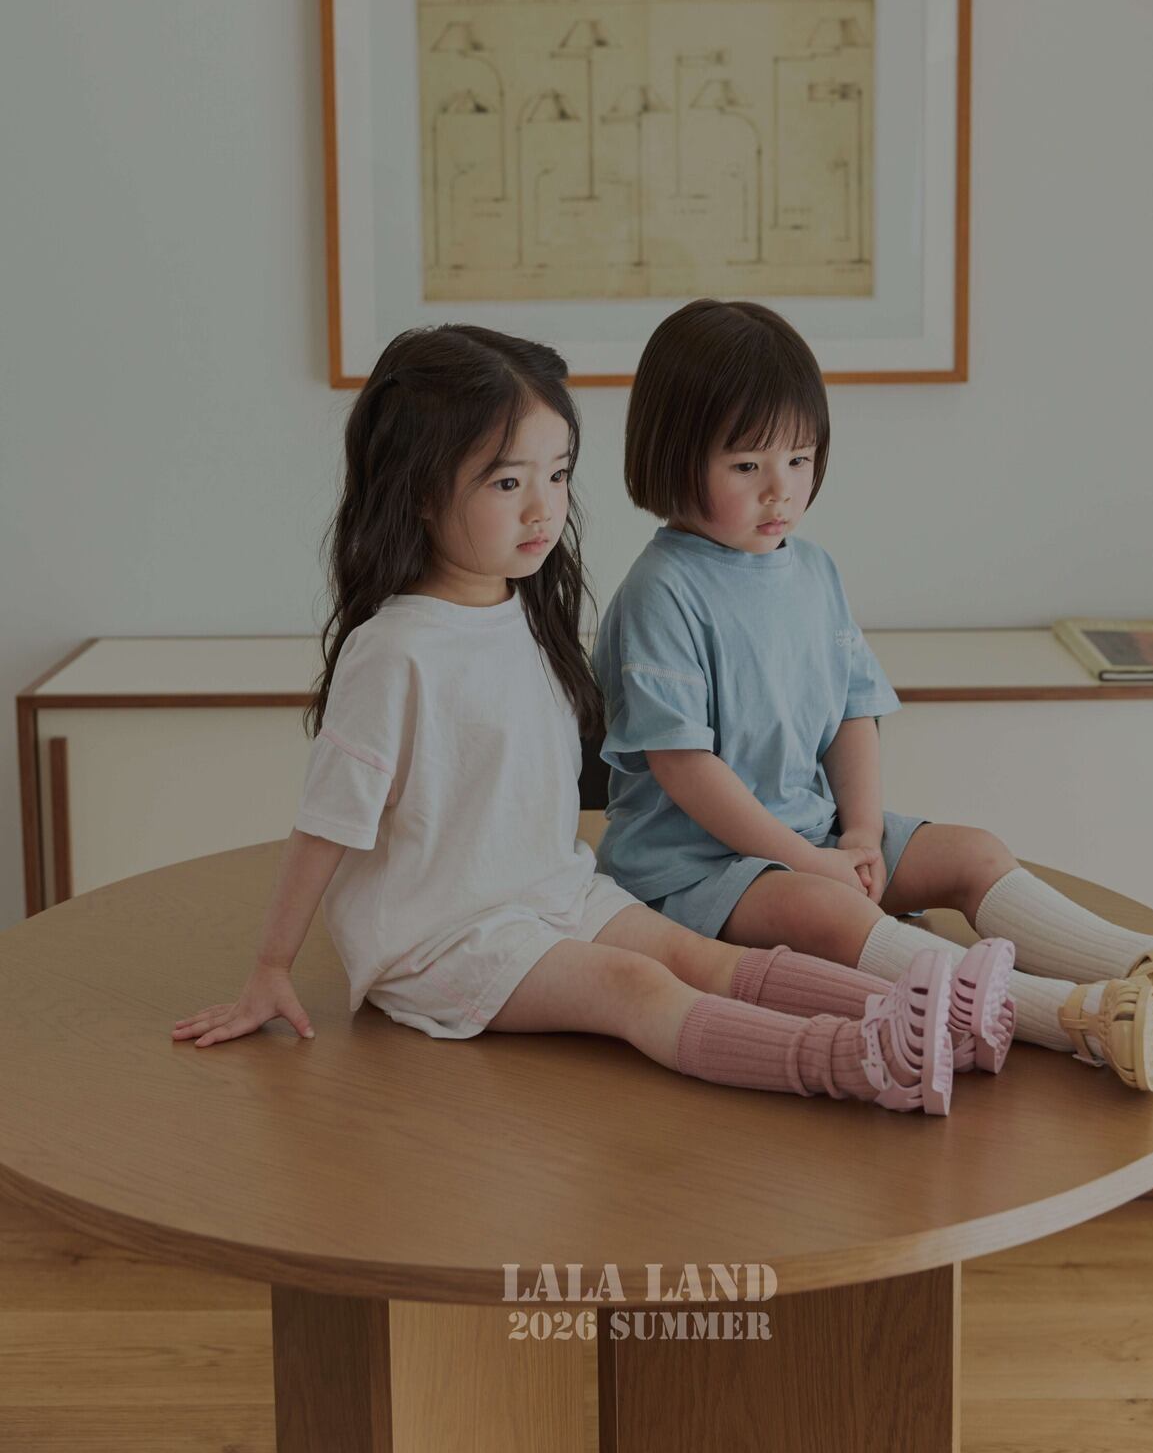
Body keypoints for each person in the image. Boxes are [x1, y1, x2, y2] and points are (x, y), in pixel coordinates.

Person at [172, 323, 1018, 1118]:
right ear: (421, 494)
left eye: (558, 474)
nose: (544, 508)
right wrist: (271, 966)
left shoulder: (527, 615)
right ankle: (857, 1060)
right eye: (508, 482)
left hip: (553, 891)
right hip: (444, 939)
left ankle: (934, 1016)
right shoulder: (393, 653)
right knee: (636, 989)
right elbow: (325, 825)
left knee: (704, 958)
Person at [593, 297, 1153, 1095]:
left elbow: (852, 712)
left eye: (801, 459)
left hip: (813, 833)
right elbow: (684, 768)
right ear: (673, 456)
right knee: (836, 916)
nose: (782, 490)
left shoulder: (811, 571)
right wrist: (811, 863)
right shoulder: (662, 591)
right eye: (748, 467)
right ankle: (1067, 1014)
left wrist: (858, 833)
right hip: (694, 868)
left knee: (973, 852)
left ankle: (1145, 966)